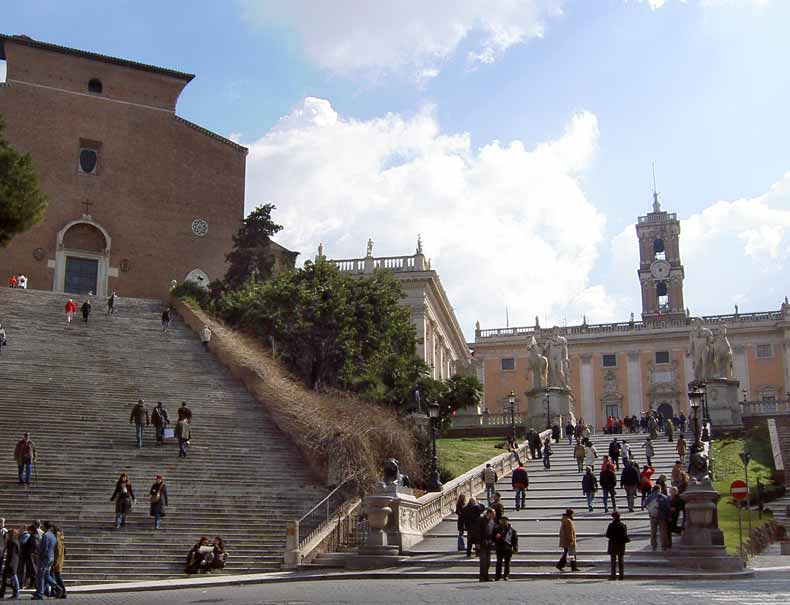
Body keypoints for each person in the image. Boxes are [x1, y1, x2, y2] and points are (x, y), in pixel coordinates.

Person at [32, 521, 62, 600]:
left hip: (44, 558)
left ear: (45, 527)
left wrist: (39, 555)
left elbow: (44, 548)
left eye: (43, 526)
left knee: (40, 575)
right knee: (46, 575)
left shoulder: (45, 535)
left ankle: (39, 593)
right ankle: (57, 588)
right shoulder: (52, 535)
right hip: (51, 557)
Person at [645, 485, 671, 551]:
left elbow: (645, 504)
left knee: (653, 531)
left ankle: (654, 545)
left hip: (653, 516)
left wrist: (650, 510)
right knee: (663, 531)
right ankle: (663, 546)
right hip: (662, 516)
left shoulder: (650, 496)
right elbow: (668, 507)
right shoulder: (664, 497)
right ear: (660, 489)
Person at [605, 511, 630, 581]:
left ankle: (613, 576)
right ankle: (621, 576)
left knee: (613, 562)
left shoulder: (611, 525)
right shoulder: (623, 525)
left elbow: (607, 535)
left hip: (613, 544)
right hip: (621, 545)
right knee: (621, 561)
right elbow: (625, 535)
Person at [494, 516, 518, 581]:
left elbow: (514, 540)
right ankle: (497, 576)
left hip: (508, 548)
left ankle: (506, 576)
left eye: (504, 520)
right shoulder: (496, 529)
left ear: (507, 521)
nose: (503, 522)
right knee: (499, 562)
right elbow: (493, 538)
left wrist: (515, 548)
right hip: (499, 547)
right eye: (502, 520)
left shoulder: (512, 530)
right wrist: (496, 538)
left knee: (507, 563)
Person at [477, 508, 497, 582]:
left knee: (488, 562)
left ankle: (486, 576)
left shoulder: (492, 521)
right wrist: (477, 543)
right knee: (483, 561)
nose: (494, 516)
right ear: (489, 513)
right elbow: (477, 532)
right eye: (493, 514)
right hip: (482, 543)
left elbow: (493, 531)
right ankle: (482, 577)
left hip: (489, 543)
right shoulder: (481, 520)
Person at [0, 528, 20, 599]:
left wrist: (10, 564)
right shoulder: (15, 541)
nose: (7, 535)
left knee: (14, 577)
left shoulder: (12, 542)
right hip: (12, 562)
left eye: (8, 534)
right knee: (7, 578)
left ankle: (16, 593)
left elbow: (12, 554)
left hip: (11, 562)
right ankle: (2, 592)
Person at [50, 526, 66, 598]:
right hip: (58, 561)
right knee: (56, 576)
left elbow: (58, 553)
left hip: (57, 561)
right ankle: (55, 591)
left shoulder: (58, 541)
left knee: (58, 576)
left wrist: (55, 563)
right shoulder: (60, 540)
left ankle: (63, 591)